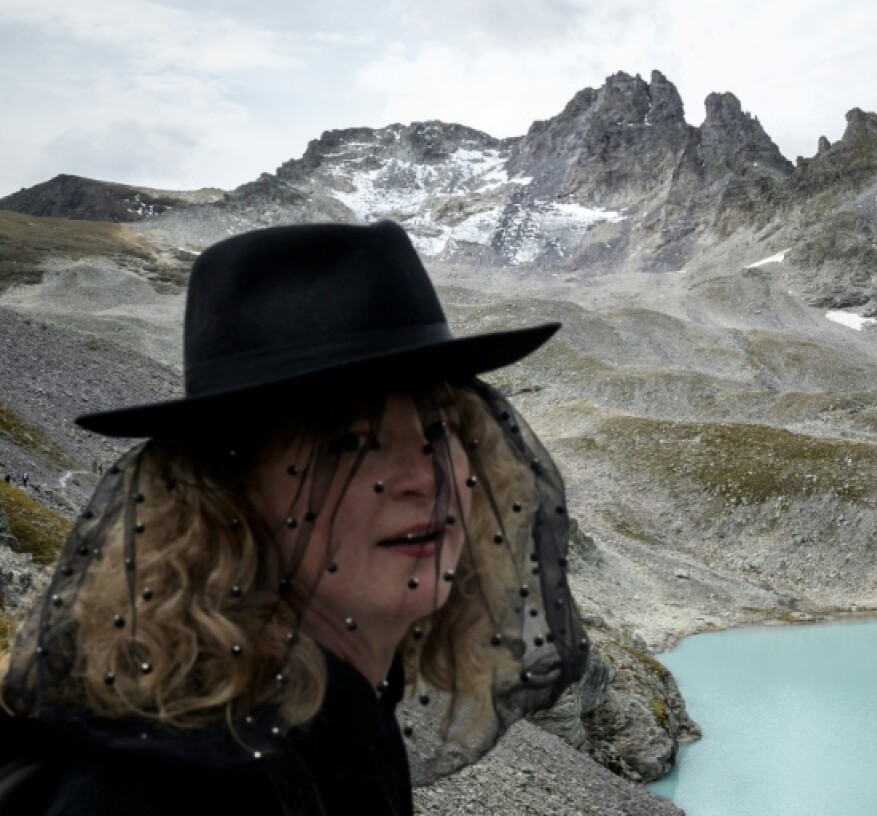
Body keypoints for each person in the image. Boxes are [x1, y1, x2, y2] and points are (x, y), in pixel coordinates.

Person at [0, 221, 588, 814]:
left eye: (440, 431)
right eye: (353, 444)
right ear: (232, 494)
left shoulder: (329, 702)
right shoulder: (184, 783)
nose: (424, 476)